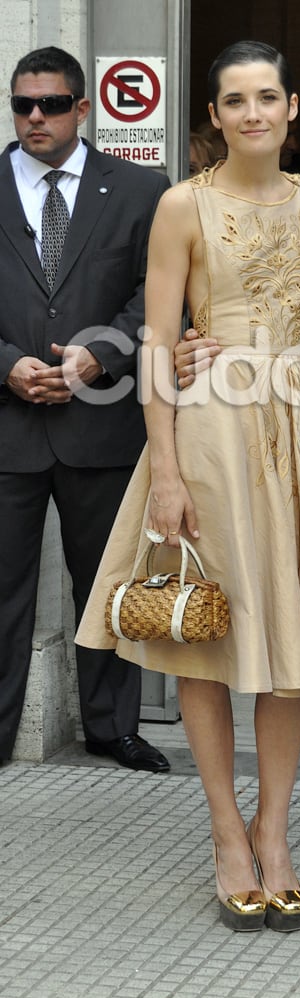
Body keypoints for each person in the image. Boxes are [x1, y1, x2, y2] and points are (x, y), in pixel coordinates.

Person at [76, 40, 300, 933]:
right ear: (214, 114)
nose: (251, 113)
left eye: (267, 97)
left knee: (292, 636)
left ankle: (274, 833)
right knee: (205, 630)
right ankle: (224, 833)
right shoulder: (180, 206)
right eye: (234, 99)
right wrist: (164, 472)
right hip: (212, 431)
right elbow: (158, 346)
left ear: (290, 106)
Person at [0, 46, 170, 773]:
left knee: (108, 587)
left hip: (102, 423)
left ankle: (111, 727)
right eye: (22, 105)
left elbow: (160, 296)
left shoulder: (140, 189)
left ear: (82, 107)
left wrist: (101, 353)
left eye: (51, 104)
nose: (35, 117)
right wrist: (7, 363)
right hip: (7, 427)